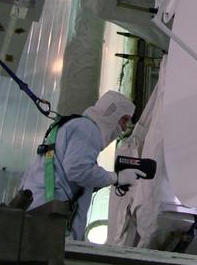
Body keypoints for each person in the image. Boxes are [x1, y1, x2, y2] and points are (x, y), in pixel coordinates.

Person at [19, 90, 136, 240]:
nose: (125, 128)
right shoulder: (87, 129)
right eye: (124, 120)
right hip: (48, 220)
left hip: (39, 213)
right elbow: (77, 170)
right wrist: (116, 178)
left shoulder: (73, 126)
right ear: (112, 113)